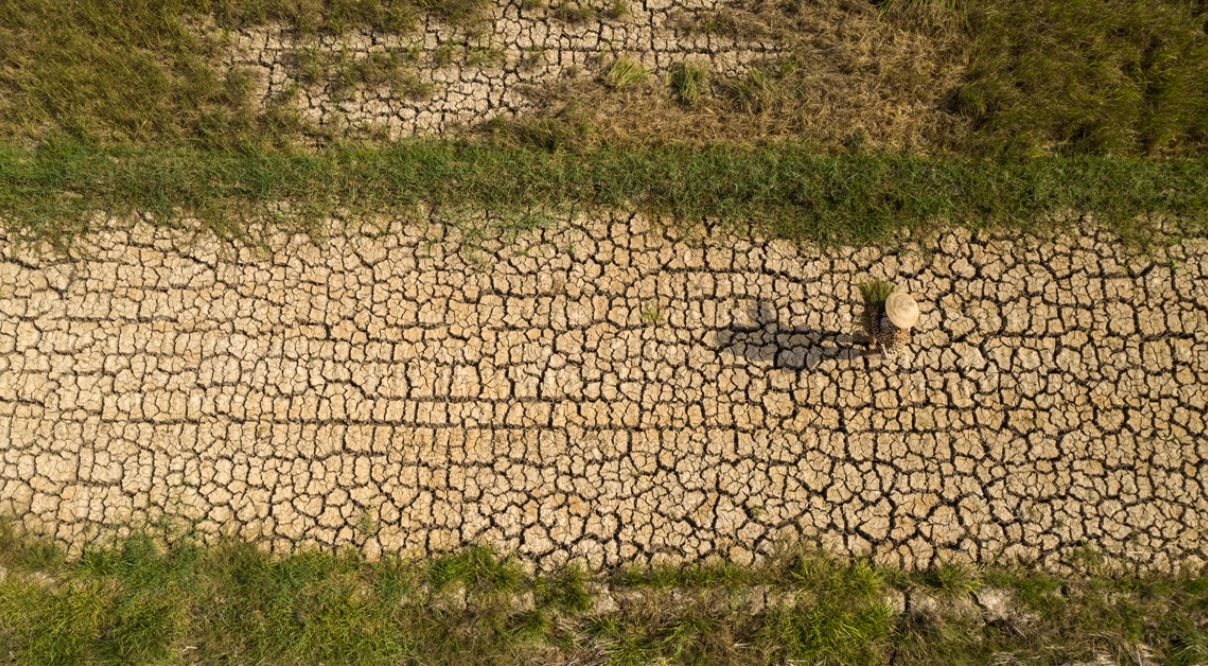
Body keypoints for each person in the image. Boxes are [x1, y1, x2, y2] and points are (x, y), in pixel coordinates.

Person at [866, 290, 919, 360]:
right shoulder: (907, 315)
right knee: (871, 331)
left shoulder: (895, 332)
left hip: (888, 348)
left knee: (873, 353)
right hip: (885, 334)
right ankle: (872, 341)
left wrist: (873, 314)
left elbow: (878, 334)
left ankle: (875, 353)